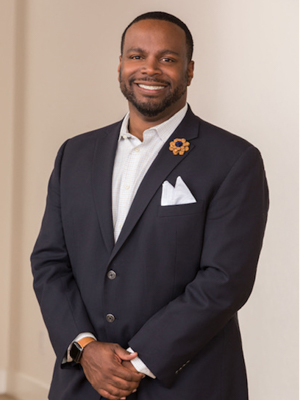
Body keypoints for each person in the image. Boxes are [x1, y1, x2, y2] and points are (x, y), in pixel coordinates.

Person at [31, 11, 269, 400]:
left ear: (189, 71)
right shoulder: (74, 154)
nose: (150, 69)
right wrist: (86, 348)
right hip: (84, 381)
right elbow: (49, 262)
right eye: (137, 56)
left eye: (168, 59)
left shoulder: (234, 159)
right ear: (121, 65)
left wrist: (137, 364)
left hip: (187, 384)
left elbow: (225, 279)